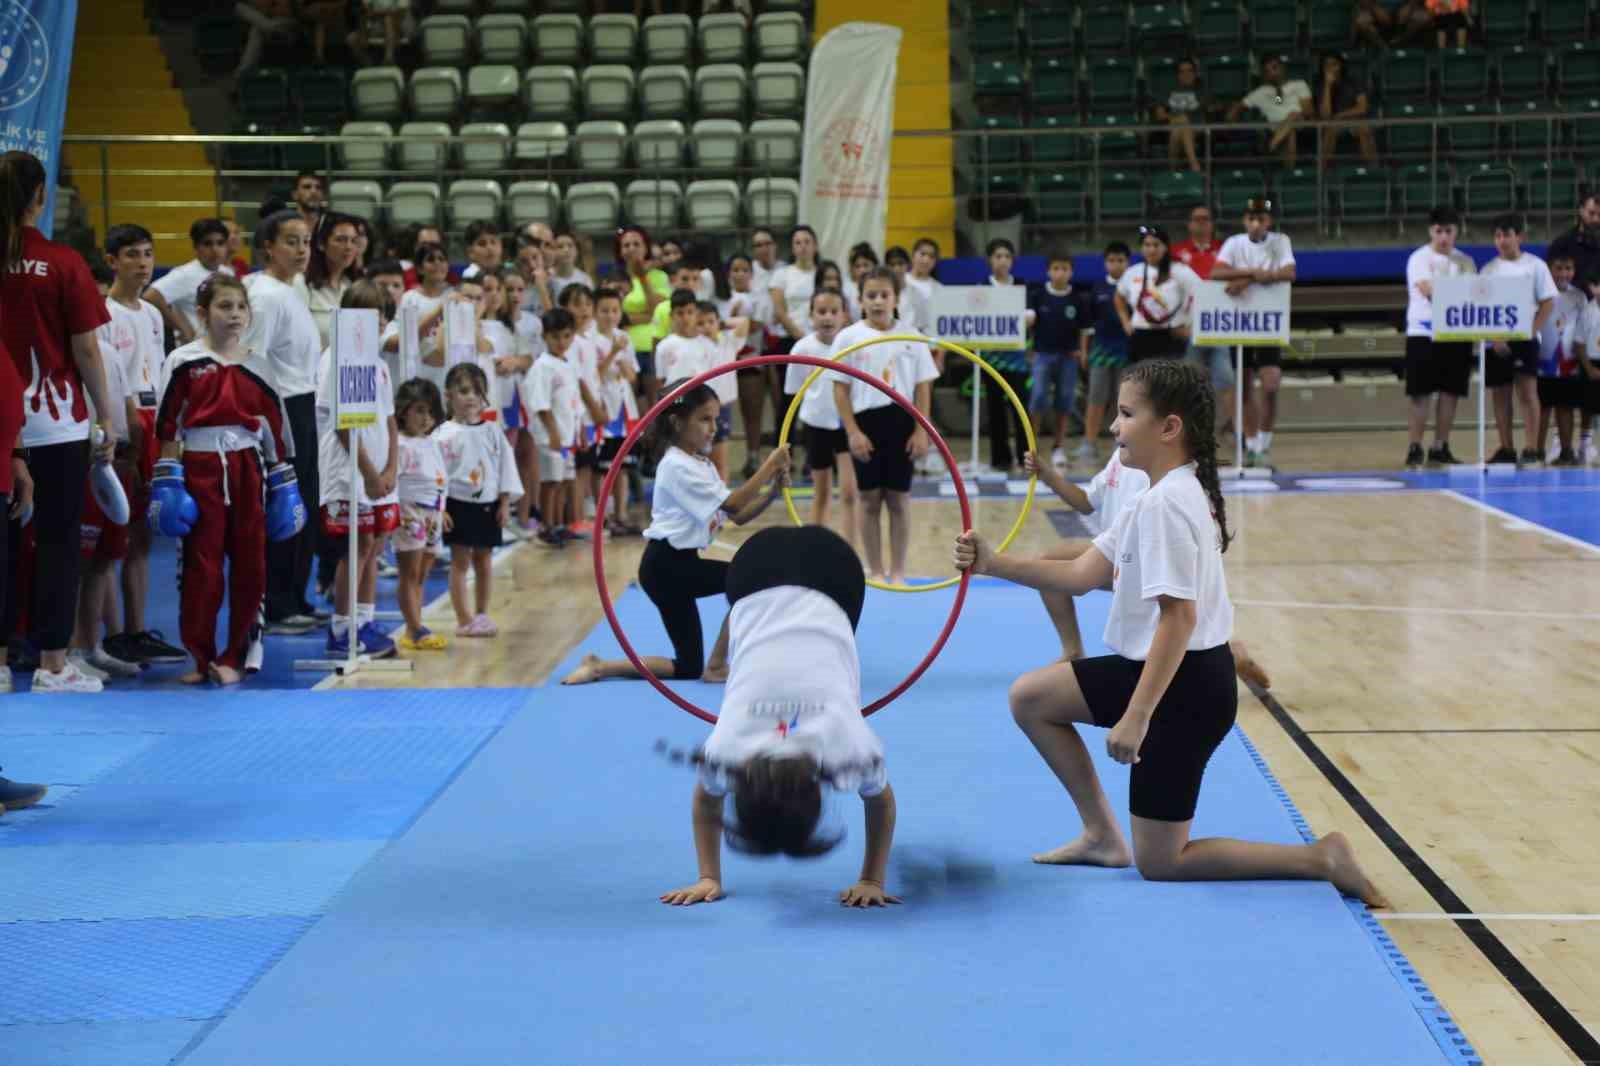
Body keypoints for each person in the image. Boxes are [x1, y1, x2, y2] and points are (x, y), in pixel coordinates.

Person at [954, 360, 1382, 903]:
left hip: (1186, 691)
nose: (1113, 427)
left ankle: (1320, 857)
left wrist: (1137, 716)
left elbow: (1178, 620)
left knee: (1162, 861)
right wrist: (992, 562)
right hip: (1164, 675)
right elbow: (1080, 574)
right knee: (1031, 697)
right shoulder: (1148, 498)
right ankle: (1102, 836)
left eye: (1127, 414)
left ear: (1169, 428)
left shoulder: (1168, 505)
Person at [658, 525, 899, 909]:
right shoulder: (729, 750)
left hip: (833, 574)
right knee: (755, 620)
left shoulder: (848, 749)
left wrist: (708, 877)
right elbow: (707, 801)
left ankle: (720, 656)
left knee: (801, 629)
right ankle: (720, 656)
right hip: (755, 568)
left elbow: (882, 802)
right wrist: (871, 879)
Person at [560, 386, 792, 686]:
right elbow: (734, 503)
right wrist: (770, 464)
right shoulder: (676, 465)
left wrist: (772, 490)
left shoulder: (701, 465)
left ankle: (600, 667)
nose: (714, 429)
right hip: (667, 566)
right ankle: (718, 665)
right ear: (677, 422)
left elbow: (738, 515)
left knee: (688, 666)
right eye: (704, 420)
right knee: (753, 578)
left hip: (675, 567)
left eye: (716, 419)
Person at [0, 151, 118, 694]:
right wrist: (109, 417)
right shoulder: (65, 263)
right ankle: (51, 662)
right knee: (57, 541)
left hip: (4, 427)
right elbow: (87, 351)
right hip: (54, 423)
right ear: (40, 197)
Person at [152, 274, 306, 685]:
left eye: (240, 307)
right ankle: (200, 658)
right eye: (224, 306)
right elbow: (168, 427)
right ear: (202, 313)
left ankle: (237, 656)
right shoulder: (183, 361)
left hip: (248, 468)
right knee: (201, 569)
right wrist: (167, 482)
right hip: (199, 468)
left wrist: (283, 484)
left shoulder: (259, 364)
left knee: (251, 566)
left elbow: (276, 430)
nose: (235, 315)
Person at [1021, 446, 1273, 689]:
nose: (1115, 426)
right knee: (1049, 564)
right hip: (1115, 555)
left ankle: (1228, 653)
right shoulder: (1121, 457)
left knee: (1170, 639)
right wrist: (1048, 475)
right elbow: (1086, 501)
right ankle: (1073, 650)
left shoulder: (1163, 470)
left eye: (1126, 413)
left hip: (1146, 560)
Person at [92, 224, 187, 671]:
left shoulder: (151, 314)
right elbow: (108, 379)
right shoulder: (103, 314)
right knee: (118, 534)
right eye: (132, 254)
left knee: (143, 537)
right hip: (124, 426)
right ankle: (113, 635)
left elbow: (160, 372)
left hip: (154, 420)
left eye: (149, 253)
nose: (143, 262)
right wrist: (123, 433)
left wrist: (171, 429)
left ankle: (136, 628)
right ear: (112, 261)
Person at [243, 209, 324, 635]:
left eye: (306, 241)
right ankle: (277, 603)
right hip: (284, 409)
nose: (301, 250)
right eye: (291, 241)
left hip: (305, 402)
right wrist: (266, 426)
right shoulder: (265, 295)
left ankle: (295, 597)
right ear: (267, 247)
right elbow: (250, 360)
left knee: (305, 505)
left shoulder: (293, 288)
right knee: (286, 505)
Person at [833, 269, 939, 586]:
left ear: (896, 299)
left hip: (903, 423)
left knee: (899, 500)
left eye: (884, 295)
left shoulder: (912, 336)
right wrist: (852, 431)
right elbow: (840, 388)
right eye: (871, 295)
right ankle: (876, 570)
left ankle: (898, 572)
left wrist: (922, 430)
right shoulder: (848, 337)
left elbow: (923, 386)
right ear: (860, 300)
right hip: (865, 424)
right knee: (869, 500)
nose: (878, 302)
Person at [315, 281, 400, 658]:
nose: (378, 321)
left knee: (375, 543)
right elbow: (343, 425)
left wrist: (391, 467)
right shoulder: (335, 359)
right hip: (349, 471)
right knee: (357, 545)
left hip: (380, 471)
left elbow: (392, 420)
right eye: (369, 313)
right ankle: (341, 628)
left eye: (382, 313)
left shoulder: (379, 364)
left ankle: (364, 620)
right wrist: (368, 471)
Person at [435, 362, 521, 636]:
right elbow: (436, 474)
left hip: (489, 504)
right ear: (448, 394)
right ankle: (464, 618)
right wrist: (440, 507)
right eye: (463, 391)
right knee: (459, 561)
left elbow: (505, 467)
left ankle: (482, 614)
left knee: (484, 560)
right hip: (456, 505)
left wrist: (505, 503)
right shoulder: (443, 435)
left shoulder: (493, 431)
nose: (470, 397)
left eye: (476, 391)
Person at [1212, 198, 1296, 468]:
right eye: (1251, 217)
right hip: (1240, 320)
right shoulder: (1234, 243)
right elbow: (1216, 272)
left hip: (1268, 319)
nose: (1256, 222)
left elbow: (1289, 272)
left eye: (1261, 217)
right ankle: (1252, 447)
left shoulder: (1280, 241)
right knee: (1244, 387)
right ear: (1245, 220)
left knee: (1271, 384)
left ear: (1268, 221)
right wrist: (1251, 272)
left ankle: (1264, 443)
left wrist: (1246, 280)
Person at [1478, 214, 1555, 467]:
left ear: (1519, 236)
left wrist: (1532, 331)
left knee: (1527, 392)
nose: (1502, 240)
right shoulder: (1488, 270)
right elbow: (1483, 307)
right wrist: (1495, 337)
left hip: (1525, 338)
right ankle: (1507, 447)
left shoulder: (1535, 266)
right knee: (1500, 394)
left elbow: (1547, 301)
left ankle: (1532, 447)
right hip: (1496, 339)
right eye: (1497, 236)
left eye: (1507, 235)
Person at [1403, 206, 1477, 468]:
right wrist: (1455, 293)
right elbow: (1428, 290)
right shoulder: (1419, 259)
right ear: (1430, 231)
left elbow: (1473, 296)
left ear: (1457, 232)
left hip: (1456, 333)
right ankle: (1415, 446)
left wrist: (1453, 294)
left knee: (1450, 393)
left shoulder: (1466, 261)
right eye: (1439, 231)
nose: (1443, 236)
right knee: (1420, 393)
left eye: (1448, 231)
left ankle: (1440, 446)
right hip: (1424, 331)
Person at [784, 288, 859, 543]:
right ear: (811, 315)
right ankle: (816, 548)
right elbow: (793, 394)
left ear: (845, 315)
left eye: (834, 312)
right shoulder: (801, 348)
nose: (827, 318)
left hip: (847, 425)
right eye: (821, 312)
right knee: (822, 492)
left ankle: (851, 551)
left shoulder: (853, 344)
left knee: (850, 493)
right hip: (816, 425)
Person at [391, 378, 448, 651]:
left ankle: (416, 624)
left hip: (432, 512)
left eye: (430, 412)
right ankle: (414, 628)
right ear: (403, 411)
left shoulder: (430, 442)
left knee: (422, 574)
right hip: (410, 511)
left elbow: (439, 479)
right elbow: (395, 480)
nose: (426, 418)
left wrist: (442, 508)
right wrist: (398, 513)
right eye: (419, 411)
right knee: (409, 573)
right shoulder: (400, 445)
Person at [1172, 206, 1235, 433]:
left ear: (1212, 224)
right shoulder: (1176, 252)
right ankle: (1188, 431)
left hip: (1219, 324)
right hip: (1189, 325)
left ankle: (1233, 430)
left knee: (1226, 379)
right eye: (1196, 219)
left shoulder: (1224, 251)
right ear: (1189, 224)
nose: (1200, 223)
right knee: (1188, 382)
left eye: (1205, 219)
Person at [1028, 249, 1090, 466]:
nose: (1060, 273)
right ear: (1048, 271)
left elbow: (1084, 329)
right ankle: (1031, 445)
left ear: (1071, 272)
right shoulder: (1037, 295)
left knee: (1064, 401)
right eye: (1056, 268)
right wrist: (1030, 351)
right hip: (1042, 356)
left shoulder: (1078, 298)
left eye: (1065, 269)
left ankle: (1058, 446)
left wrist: (1082, 352)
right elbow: (1029, 326)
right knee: (1038, 398)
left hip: (1069, 357)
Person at [528, 307, 584, 547]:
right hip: (551, 435)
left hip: (567, 433)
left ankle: (558, 524)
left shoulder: (567, 364)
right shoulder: (543, 366)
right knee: (550, 482)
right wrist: (552, 433)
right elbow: (541, 404)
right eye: (555, 337)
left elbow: (573, 402)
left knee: (562, 481)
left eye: (566, 336)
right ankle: (546, 526)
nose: (561, 342)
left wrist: (579, 430)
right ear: (545, 337)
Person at [980, 239, 1035, 474]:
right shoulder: (981, 287)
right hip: (991, 360)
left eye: (1006, 256)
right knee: (995, 410)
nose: (1002, 260)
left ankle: (1025, 458)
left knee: (1020, 408)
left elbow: (1031, 316)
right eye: (997, 256)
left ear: (1013, 260)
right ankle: (1000, 459)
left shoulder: (1021, 285)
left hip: (1017, 360)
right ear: (990, 260)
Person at [718, 253, 775, 480]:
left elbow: (759, 325)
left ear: (751, 274)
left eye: (744, 270)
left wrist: (740, 324)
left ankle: (753, 455)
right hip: (725, 362)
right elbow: (717, 327)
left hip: (751, 359)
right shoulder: (722, 299)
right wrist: (733, 319)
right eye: (735, 270)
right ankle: (720, 458)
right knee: (722, 413)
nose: (739, 274)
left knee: (753, 411)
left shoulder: (759, 298)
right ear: (728, 274)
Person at [592, 288, 643, 536]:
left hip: (625, 409)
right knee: (604, 467)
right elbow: (593, 376)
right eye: (604, 311)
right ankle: (604, 514)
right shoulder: (589, 339)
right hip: (604, 406)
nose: (610, 316)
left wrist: (623, 365)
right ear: (595, 312)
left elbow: (632, 376)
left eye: (614, 310)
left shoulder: (624, 336)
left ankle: (621, 513)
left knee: (622, 464)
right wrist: (613, 353)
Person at [1116, 225, 1202, 363]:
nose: (1151, 249)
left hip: (1171, 335)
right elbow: (1119, 297)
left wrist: (1190, 326)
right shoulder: (1133, 272)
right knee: (1140, 382)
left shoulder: (1180, 271)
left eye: (1156, 245)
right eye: (1147, 245)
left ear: (1165, 247)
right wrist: (1126, 322)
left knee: (1169, 382)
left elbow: (1202, 293)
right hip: (1141, 335)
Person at [1081, 241, 1132, 465]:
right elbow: (1087, 325)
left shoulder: (1134, 288)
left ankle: (1121, 443)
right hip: (1100, 352)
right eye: (1112, 260)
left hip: (1127, 352)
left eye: (1120, 260)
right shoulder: (1097, 288)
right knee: (1096, 398)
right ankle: (1089, 444)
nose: (1116, 264)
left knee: (1124, 401)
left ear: (1128, 263)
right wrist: (1084, 351)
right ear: (1105, 263)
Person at [1535, 252, 1587, 465]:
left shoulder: (1579, 297)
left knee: (1565, 407)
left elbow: (1583, 328)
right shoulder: (1539, 294)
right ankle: (1535, 451)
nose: (1564, 274)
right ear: (1549, 270)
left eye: (1568, 269)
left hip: (1569, 363)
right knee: (1542, 407)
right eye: (1559, 268)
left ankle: (1567, 451)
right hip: (1542, 360)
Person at [146, 218, 232, 346]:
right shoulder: (185, 274)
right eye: (207, 244)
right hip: (195, 350)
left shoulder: (228, 273)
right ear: (196, 247)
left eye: (220, 243)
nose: (215, 249)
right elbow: (151, 296)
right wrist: (182, 327)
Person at [384, 242, 452, 390]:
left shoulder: (455, 296)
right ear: (420, 268)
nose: (437, 263)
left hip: (447, 372)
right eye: (431, 259)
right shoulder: (409, 298)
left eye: (442, 259)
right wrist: (438, 311)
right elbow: (406, 339)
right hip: (417, 371)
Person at [1227, 55, 1314, 169]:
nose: (1273, 73)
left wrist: (1280, 91)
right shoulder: (1260, 92)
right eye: (1268, 71)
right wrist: (1233, 113)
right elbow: (1236, 110)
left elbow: (1308, 111)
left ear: (1283, 68)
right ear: (1265, 75)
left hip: (1302, 125)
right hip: (1274, 129)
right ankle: (1289, 173)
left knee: (1293, 116)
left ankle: (1271, 146)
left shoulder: (1299, 84)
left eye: (1275, 68)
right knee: (1290, 132)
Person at [618, 225, 671, 409]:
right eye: (626, 245)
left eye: (636, 244)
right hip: (623, 348)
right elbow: (616, 317)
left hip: (650, 347)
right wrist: (644, 315)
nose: (631, 248)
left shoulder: (659, 276)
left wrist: (643, 279)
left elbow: (657, 310)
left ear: (646, 247)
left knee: (653, 406)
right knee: (629, 405)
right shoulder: (616, 278)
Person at [301, 211, 362, 350]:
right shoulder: (303, 284)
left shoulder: (353, 286)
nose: (348, 247)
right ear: (322, 244)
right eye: (340, 240)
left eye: (353, 241)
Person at [1315, 53, 1378, 169]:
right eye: (1326, 66)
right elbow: (1326, 115)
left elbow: (1362, 108)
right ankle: (1321, 173)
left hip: (1354, 120)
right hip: (1333, 124)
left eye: (1334, 65)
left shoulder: (1353, 81)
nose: (1330, 69)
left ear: (1341, 66)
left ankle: (1374, 170)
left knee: (1364, 128)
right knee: (1330, 130)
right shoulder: (1321, 86)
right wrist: (1328, 86)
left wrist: (1340, 115)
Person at [768, 225, 821, 356]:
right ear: (792, 248)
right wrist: (798, 335)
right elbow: (779, 311)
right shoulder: (781, 274)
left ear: (815, 246)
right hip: (789, 338)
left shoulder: (823, 273)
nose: (803, 246)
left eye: (807, 242)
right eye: (798, 243)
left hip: (820, 337)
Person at [1153, 58, 1207, 174]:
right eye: (1182, 72)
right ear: (1177, 75)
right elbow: (1160, 115)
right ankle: (1195, 166)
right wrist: (1175, 118)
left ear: (1195, 73)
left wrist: (1180, 118)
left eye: (1190, 71)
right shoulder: (1168, 90)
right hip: (1174, 126)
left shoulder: (1202, 90)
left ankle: (1173, 170)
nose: (1186, 74)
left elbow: (1207, 110)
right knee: (1181, 127)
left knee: (1181, 127)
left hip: (1197, 126)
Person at [1547, 193, 1600, 296]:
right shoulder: (1562, 243)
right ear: (1581, 210)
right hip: (1568, 303)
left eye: (1599, 215)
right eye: (1591, 213)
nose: (1596, 219)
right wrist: (1589, 288)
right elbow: (1551, 279)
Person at [549, 229, 594, 300]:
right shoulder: (547, 277)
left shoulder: (585, 279)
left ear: (577, 251)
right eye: (560, 247)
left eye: (570, 246)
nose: (566, 250)